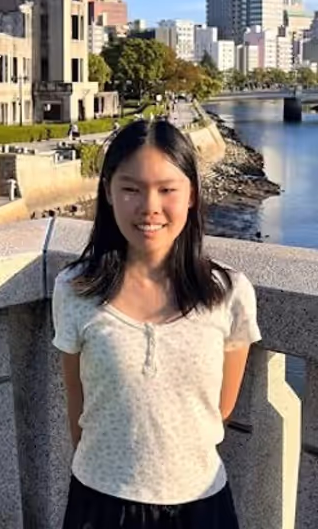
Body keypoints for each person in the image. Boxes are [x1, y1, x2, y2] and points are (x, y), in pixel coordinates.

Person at [52, 119, 260, 529]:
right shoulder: (75, 290)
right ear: (109, 191)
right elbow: (79, 404)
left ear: (192, 196)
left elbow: (220, 407)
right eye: (131, 188)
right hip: (100, 502)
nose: (149, 206)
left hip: (200, 500)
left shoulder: (229, 293)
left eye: (167, 190)